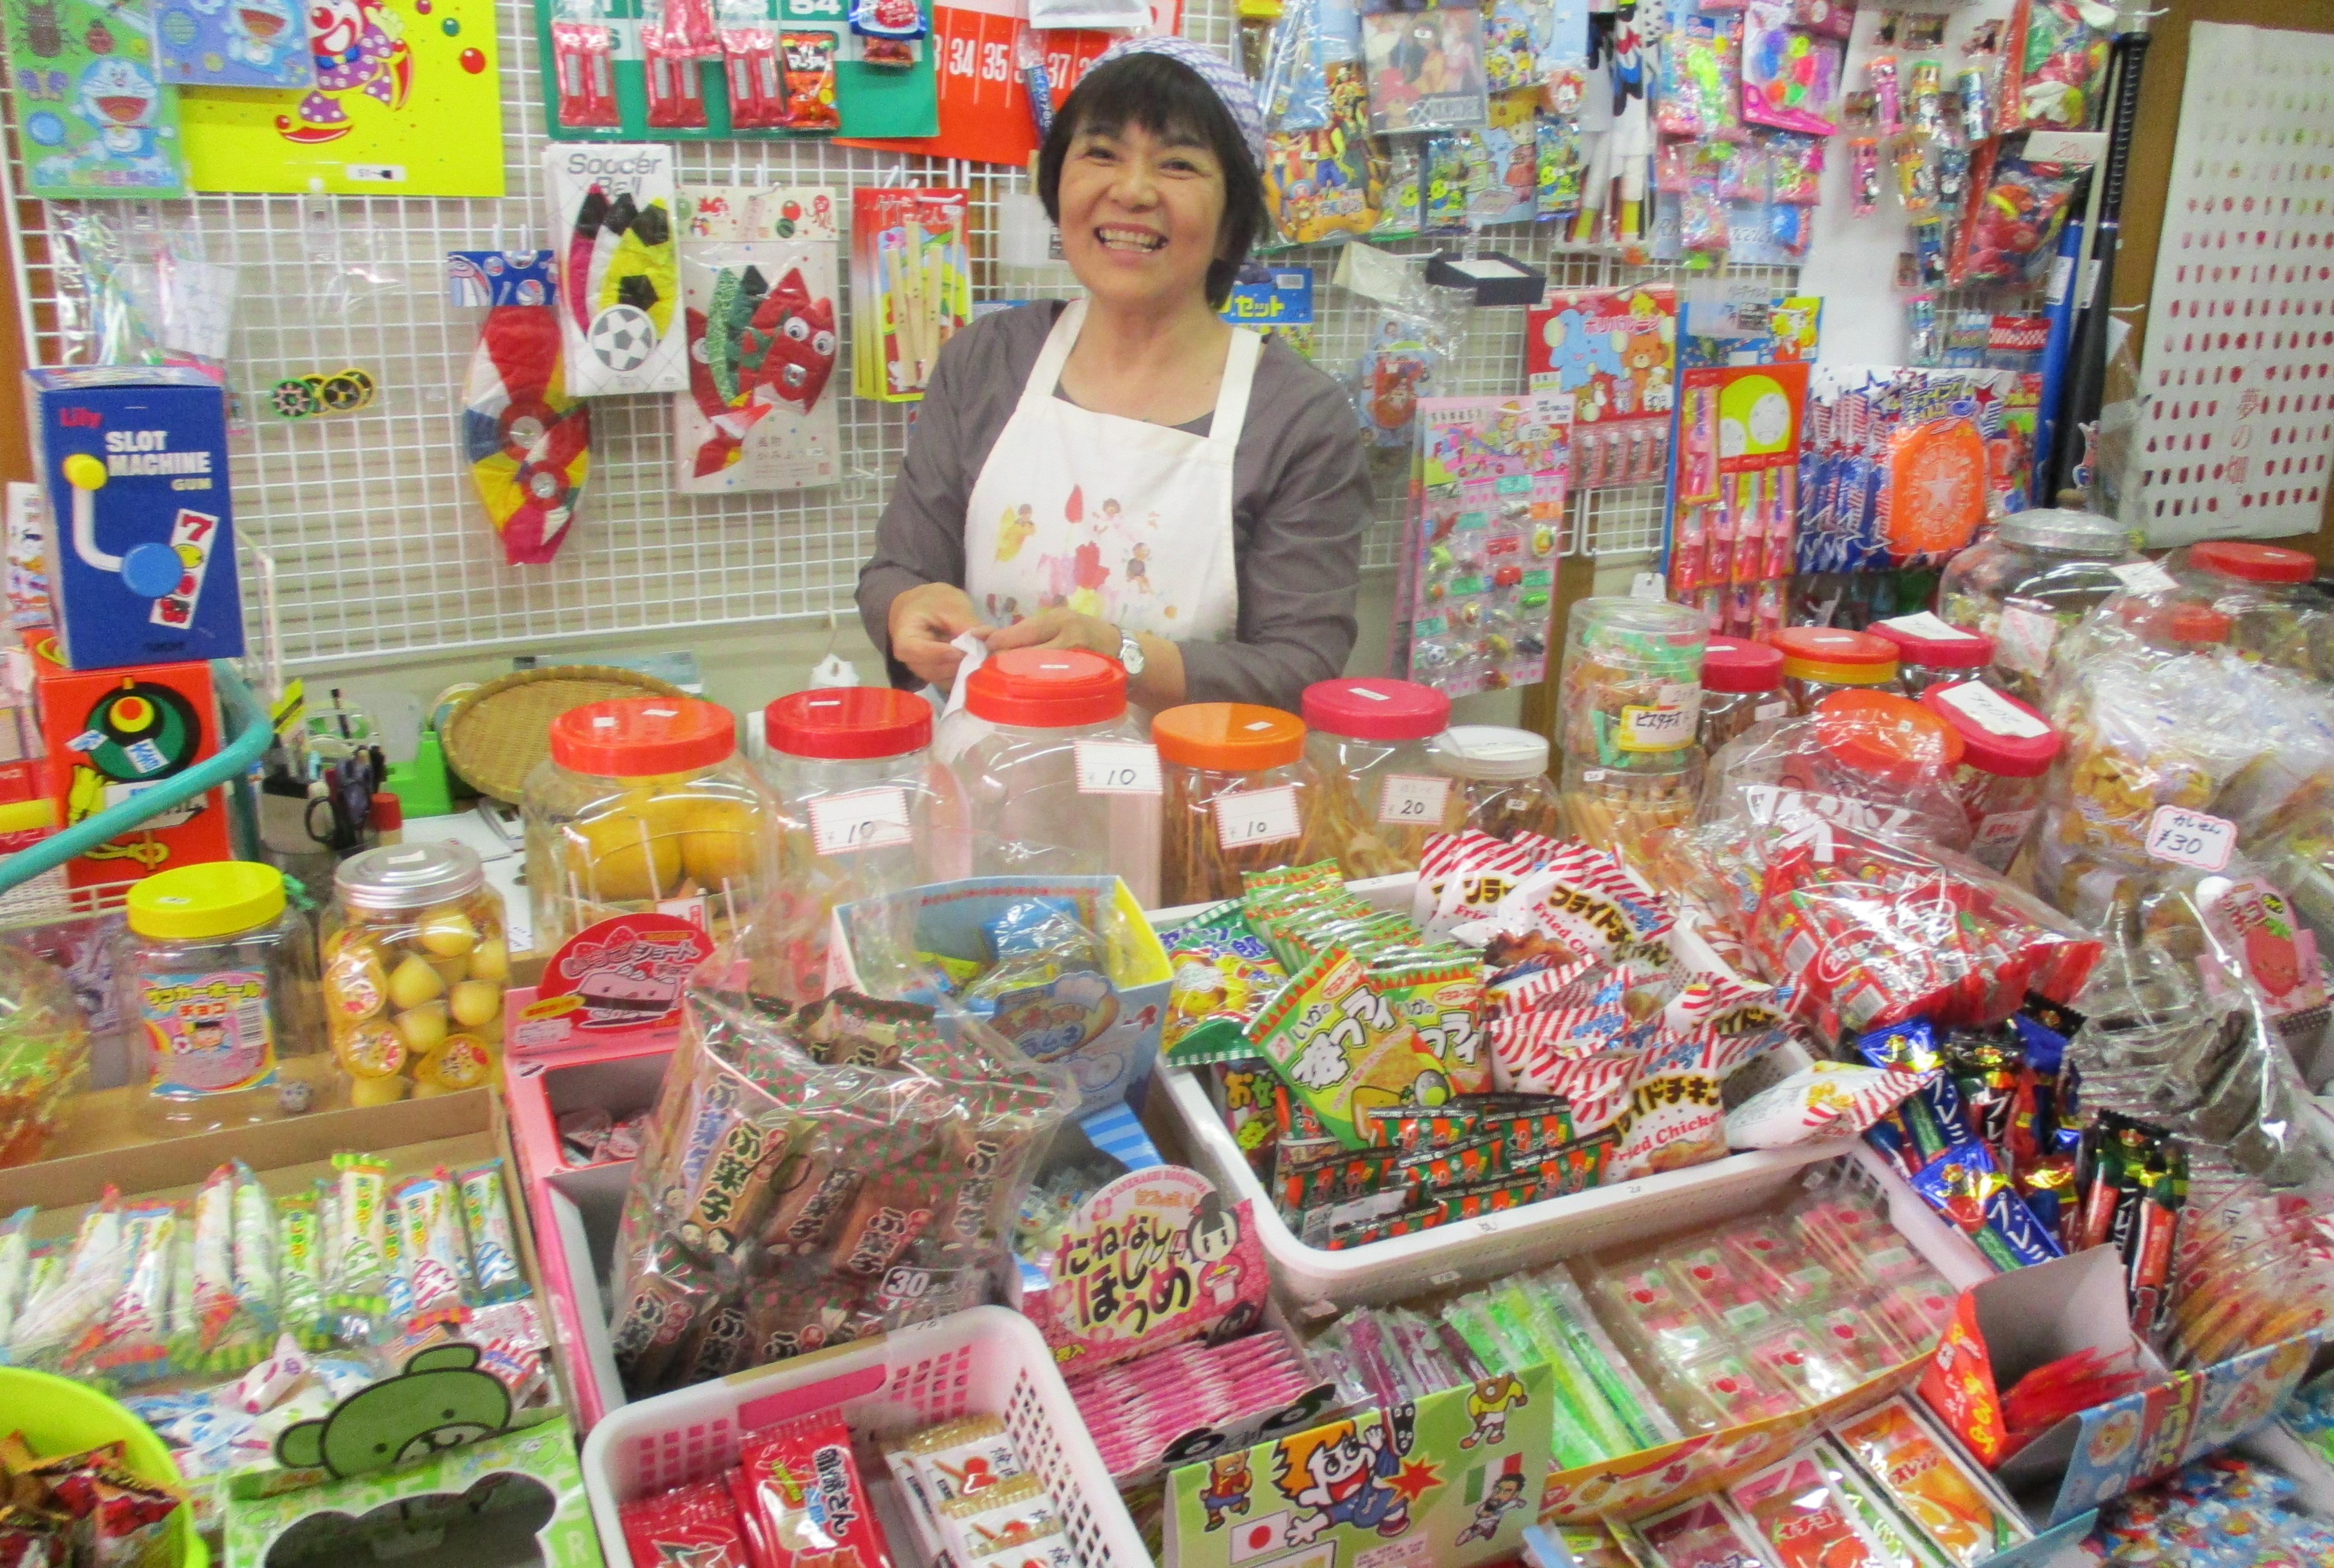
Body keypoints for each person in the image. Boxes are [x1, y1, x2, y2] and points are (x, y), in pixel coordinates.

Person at [855, 35, 1372, 713]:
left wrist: (1116, 652)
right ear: (1058, 185)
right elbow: (898, 570)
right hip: (986, 784)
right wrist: (909, 606)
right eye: (1101, 154)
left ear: (1229, 226)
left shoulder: (1298, 416)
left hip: (1191, 798)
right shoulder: (987, 361)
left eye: (1179, 164)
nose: (1131, 191)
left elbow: (1298, 665)